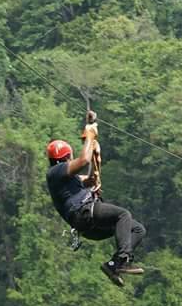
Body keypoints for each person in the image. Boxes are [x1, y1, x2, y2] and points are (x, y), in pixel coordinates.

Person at [45, 111, 146, 287]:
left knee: (137, 229)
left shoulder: (67, 179)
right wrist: (90, 133)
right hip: (83, 213)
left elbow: (91, 178)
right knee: (123, 215)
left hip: (90, 226)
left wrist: (95, 155)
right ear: (66, 157)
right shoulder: (56, 172)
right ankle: (123, 259)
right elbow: (83, 161)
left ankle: (113, 265)